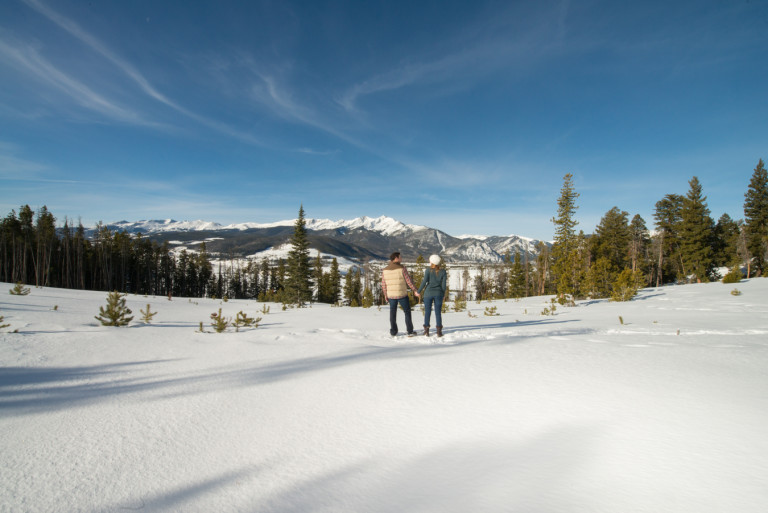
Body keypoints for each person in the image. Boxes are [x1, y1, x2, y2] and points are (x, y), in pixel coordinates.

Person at [381, 252, 420, 336]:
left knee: (392, 313)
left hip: (391, 295)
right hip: (402, 294)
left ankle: (393, 331)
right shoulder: (402, 268)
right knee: (407, 312)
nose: (401, 258)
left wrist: (385, 294)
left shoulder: (385, 270)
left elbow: (383, 284)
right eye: (400, 257)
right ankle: (409, 331)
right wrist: (415, 290)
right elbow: (408, 281)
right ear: (396, 258)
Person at [418, 254, 447, 337]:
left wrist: (418, 291)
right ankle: (439, 331)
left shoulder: (428, 270)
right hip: (438, 294)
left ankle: (426, 330)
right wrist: (443, 294)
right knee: (438, 312)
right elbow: (444, 285)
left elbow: (424, 282)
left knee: (427, 311)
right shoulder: (443, 271)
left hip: (428, 293)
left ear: (432, 262)